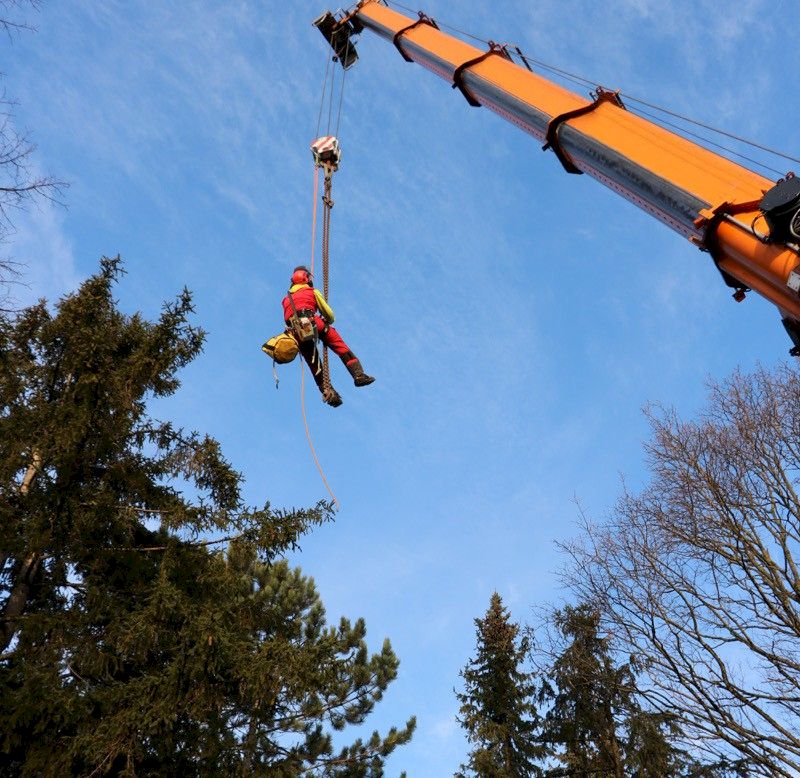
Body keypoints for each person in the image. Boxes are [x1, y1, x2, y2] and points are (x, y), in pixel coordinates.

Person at [282, 265, 374, 407]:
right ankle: (358, 375)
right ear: (307, 278)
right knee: (339, 345)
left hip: (297, 332)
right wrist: (327, 321)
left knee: (313, 363)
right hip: (314, 323)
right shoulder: (312, 291)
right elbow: (329, 314)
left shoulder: (286, 299)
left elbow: (287, 318)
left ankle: (328, 392)